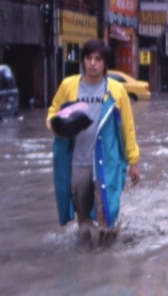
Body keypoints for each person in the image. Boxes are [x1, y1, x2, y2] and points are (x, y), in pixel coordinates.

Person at [47, 39, 140, 247]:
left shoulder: (116, 90)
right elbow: (53, 113)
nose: (92, 63)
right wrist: (56, 125)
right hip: (77, 161)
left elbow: (127, 127)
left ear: (105, 63)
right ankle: (87, 252)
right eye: (88, 58)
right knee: (82, 215)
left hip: (107, 162)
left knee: (106, 213)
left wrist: (133, 161)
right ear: (82, 61)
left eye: (98, 59)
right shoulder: (69, 86)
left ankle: (106, 256)